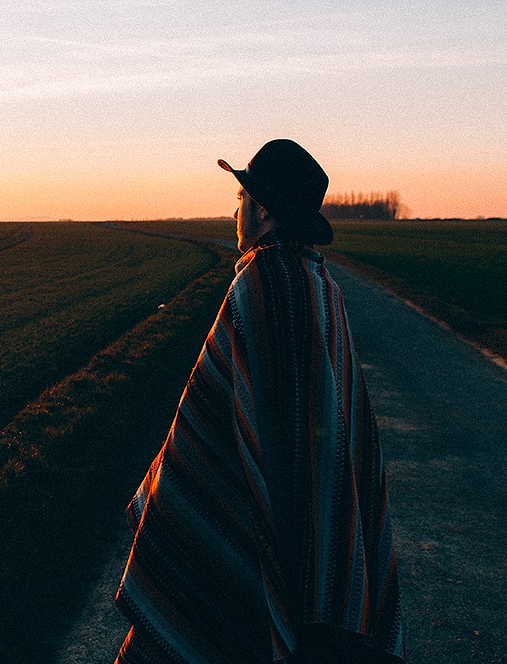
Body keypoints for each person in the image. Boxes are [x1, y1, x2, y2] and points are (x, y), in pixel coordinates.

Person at [114, 139, 406, 663]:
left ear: (263, 209)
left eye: (241, 198)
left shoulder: (262, 281)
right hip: (297, 541)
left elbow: (234, 420)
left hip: (249, 530)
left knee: (225, 630)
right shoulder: (319, 282)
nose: (235, 211)